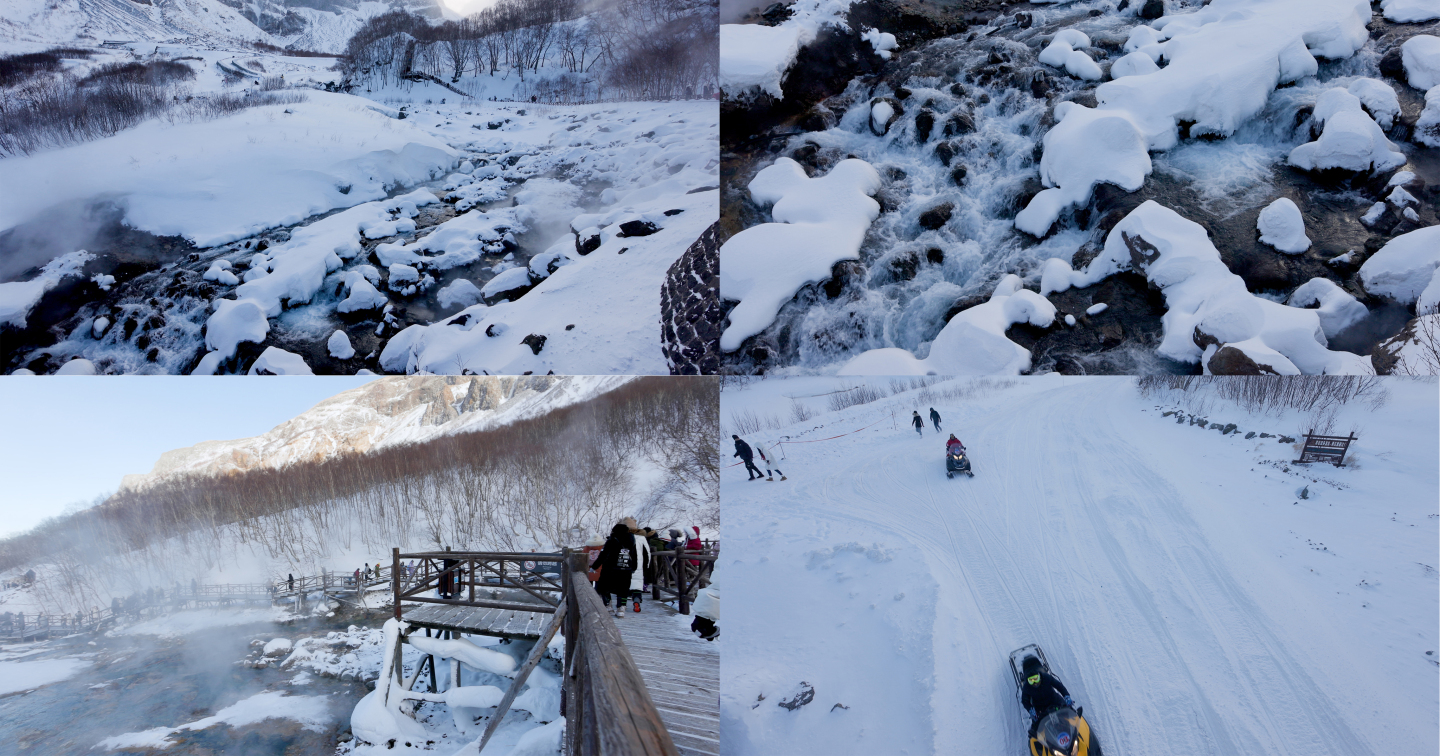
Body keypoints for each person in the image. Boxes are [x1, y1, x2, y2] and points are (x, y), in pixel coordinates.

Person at [590, 522, 637, 618]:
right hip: (626, 569)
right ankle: (621, 609)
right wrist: (634, 567)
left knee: (604, 587)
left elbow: (603, 555)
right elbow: (634, 556)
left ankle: (608, 606)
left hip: (610, 569)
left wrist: (594, 567)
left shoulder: (611, 540)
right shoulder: (631, 541)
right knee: (623, 589)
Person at [1020, 656, 1074, 736]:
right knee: (1036, 727)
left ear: (1039, 676)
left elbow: (1059, 686)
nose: (1034, 682)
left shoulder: (1047, 678)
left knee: (1070, 713)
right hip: (1039, 707)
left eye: (1036, 678)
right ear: (1027, 681)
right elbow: (1025, 700)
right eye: (1031, 680)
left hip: (1054, 700)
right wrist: (1031, 710)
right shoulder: (1027, 687)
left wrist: (1066, 696)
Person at [623, 518, 650, 613]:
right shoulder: (641, 538)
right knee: (637, 587)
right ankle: (636, 601)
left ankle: (622, 605)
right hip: (638, 567)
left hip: (623, 566)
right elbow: (647, 554)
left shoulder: (620, 537)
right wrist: (646, 567)